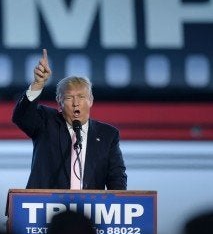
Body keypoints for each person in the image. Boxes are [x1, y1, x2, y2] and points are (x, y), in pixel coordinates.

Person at [12, 49, 127, 189]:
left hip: (89, 209)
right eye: (68, 98)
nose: (75, 103)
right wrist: (37, 84)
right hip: (47, 206)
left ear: (90, 100)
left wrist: (119, 203)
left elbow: (116, 176)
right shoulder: (46, 122)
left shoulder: (107, 135)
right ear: (59, 103)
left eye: (81, 97)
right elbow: (21, 116)